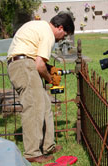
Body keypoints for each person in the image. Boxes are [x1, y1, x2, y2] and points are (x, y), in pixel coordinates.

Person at [7, 13, 75, 163]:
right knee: (33, 108)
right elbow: (39, 65)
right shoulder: (48, 33)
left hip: (23, 63)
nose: (61, 39)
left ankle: (48, 146)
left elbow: (36, 58)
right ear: (60, 27)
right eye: (64, 35)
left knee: (44, 106)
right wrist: (51, 80)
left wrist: (48, 70)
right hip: (24, 66)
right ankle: (32, 152)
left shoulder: (39, 26)